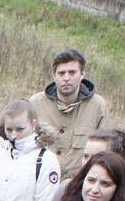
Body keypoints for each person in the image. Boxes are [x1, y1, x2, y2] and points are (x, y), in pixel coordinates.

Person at [29, 49, 109, 179]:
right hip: (41, 181)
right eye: (61, 73)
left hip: (78, 184)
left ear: (82, 74)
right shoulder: (35, 103)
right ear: (54, 76)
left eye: (72, 72)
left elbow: (105, 151)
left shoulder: (97, 106)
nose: (66, 78)